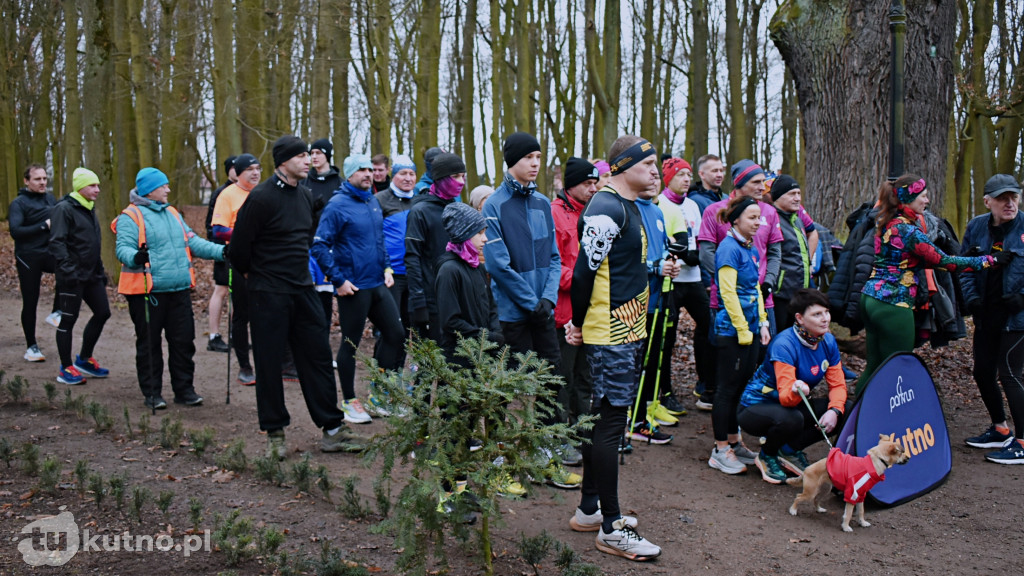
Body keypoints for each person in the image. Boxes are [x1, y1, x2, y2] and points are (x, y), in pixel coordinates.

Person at [230, 135, 366, 458]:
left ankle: (333, 430)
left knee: (318, 358)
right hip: (268, 293)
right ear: (283, 161)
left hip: (303, 290)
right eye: (301, 156)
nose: (308, 161)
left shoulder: (304, 197)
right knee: (268, 362)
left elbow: (305, 241)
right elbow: (237, 251)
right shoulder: (260, 198)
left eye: (309, 155)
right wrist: (260, 277)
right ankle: (274, 433)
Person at [565, 135, 660, 561]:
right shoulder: (604, 208)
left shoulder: (627, 207)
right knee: (609, 425)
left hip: (624, 330)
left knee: (602, 421)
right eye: (649, 164)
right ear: (623, 167)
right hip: (609, 334)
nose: (656, 171)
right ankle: (612, 526)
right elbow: (583, 275)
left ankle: (590, 507)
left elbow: (619, 267)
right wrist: (580, 325)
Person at [859, 174, 999, 389]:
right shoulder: (908, 230)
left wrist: (966, 256)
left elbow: (910, 261)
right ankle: (891, 419)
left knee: (874, 366)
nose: (927, 200)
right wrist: (988, 260)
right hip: (894, 304)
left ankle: (860, 418)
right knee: (896, 369)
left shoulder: (886, 223)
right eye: (923, 196)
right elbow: (945, 262)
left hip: (870, 299)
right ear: (908, 198)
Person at [114, 168, 227, 409]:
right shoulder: (130, 216)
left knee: (184, 342)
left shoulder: (173, 213)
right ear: (149, 190)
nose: (168, 189)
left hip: (179, 290)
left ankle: (185, 390)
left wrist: (223, 251)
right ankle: (152, 394)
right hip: (146, 293)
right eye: (163, 186)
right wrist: (136, 256)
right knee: (149, 345)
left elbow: (193, 242)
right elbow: (122, 248)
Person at [312, 154, 405, 423]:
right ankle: (350, 401)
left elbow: (379, 241)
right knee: (350, 344)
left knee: (396, 334)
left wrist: (387, 268)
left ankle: (379, 394)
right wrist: (338, 280)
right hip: (352, 287)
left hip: (377, 282)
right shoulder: (337, 205)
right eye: (361, 170)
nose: (367, 174)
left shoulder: (373, 202)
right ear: (350, 174)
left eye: (369, 169)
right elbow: (319, 246)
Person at [737, 288, 849, 483]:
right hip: (755, 407)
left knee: (845, 409)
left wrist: (835, 411)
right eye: (816, 314)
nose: (825, 319)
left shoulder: (827, 341)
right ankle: (767, 455)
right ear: (800, 318)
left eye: (826, 312)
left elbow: (838, 384)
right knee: (792, 418)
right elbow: (786, 398)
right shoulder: (785, 344)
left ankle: (788, 451)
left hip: (793, 405)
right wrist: (800, 390)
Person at [698, 160, 783, 410]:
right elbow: (706, 253)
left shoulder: (769, 212)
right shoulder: (714, 211)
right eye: (756, 182)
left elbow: (775, 253)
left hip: (762, 301)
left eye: (762, 181)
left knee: (761, 357)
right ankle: (723, 412)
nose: (762, 186)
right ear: (739, 184)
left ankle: (751, 409)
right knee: (727, 364)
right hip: (724, 302)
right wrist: (732, 283)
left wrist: (767, 283)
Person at [959, 174, 1024, 464]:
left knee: (1010, 374)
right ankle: (1000, 429)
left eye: (1013, 196)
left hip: (1018, 316)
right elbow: (965, 267)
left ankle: (1022, 442)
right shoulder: (976, 227)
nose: (1009, 203)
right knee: (982, 371)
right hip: (987, 314)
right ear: (988, 201)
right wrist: (972, 299)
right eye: (1002, 198)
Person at [707, 195, 771, 475]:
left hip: (752, 331)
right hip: (731, 332)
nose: (759, 222)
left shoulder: (752, 248)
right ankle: (720, 449)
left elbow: (755, 290)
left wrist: (764, 323)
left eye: (760, 217)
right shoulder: (728, 249)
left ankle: (735, 441)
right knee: (726, 390)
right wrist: (742, 329)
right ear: (736, 220)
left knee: (741, 387)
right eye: (752, 217)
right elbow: (727, 293)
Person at [658, 157, 713, 413]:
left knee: (708, 326)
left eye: (689, 175)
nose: (686, 179)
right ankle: (664, 390)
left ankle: (705, 382)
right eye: (680, 174)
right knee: (666, 338)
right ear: (668, 178)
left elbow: (700, 239)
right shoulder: (660, 203)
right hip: (670, 280)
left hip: (693, 280)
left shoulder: (692, 205)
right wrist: (679, 254)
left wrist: (697, 257)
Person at [49, 168, 112, 385]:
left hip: (92, 275)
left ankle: (84, 359)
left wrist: (100, 270)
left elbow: (93, 243)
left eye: (97, 185)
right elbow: (57, 242)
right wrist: (69, 271)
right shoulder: (64, 208)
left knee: (103, 312)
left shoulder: (89, 207)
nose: (97, 189)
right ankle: (65, 368)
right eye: (92, 186)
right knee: (68, 320)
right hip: (72, 277)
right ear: (80, 187)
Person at [630, 176, 680, 444]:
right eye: (646, 172)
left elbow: (661, 251)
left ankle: (641, 416)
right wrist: (655, 267)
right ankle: (631, 417)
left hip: (660, 298)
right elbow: (630, 259)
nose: (652, 180)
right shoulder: (629, 209)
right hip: (637, 301)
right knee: (636, 361)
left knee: (652, 362)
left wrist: (669, 263)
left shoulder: (657, 210)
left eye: (656, 175)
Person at [552, 157, 598, 430]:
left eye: (595, 182)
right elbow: (550, 264)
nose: (593, 188)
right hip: (564, 313)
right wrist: (584, 282)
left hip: (591, 311)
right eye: (586, 183)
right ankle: (560, 436)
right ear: (570, 185)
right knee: (563, 378)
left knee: (586, 376)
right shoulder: (554, 213)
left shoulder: (595, 213)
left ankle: (583, 430)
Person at [405, 153, 467, 342]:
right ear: (440, 179)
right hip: (430, 298)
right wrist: (419, 301)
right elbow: (412, 257)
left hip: (456, 296)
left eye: (463, 176)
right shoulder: (420, 211)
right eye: (455, 176)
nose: (461, 182)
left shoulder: (458, 209)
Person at [211, 154, 261, 385]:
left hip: (265, 262)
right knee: (242, 314)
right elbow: (218, 231)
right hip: (239, 261)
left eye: (258, 168)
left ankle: (273, 362)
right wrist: (244, 235)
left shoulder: (263, 194)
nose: (255, 172)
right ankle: (244, 366)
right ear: (238, 173)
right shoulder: (227, 195)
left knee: (267, 312)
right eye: (249, 169)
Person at [435, 202, 504, 362]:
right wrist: (487, 337)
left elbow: (490, 304)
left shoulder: (477, 266)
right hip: (460, 356)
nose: (486, 239)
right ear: (463, 234)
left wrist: (496, 332)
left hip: (483, 352)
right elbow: (450, 321)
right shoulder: (449, 270)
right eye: (479, 233)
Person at [9, 163, 60, 362]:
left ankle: (57, 311)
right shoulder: (18, 203)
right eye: (37, 179)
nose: (42, 182)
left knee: (67, 267)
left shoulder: (50, 199)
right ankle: (31, 346)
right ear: (26, 181)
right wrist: (43, 226)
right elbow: (16, 232)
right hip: (28, 257)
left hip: (48, 252)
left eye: (44, 179)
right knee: (31, 302)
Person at [376, 154, 418, 339]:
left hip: (415, 272)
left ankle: (405, 367)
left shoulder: (420, 200)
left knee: (412, 325)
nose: (408, 178)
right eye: (403, 173)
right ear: (393, 175)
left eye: (411, 173)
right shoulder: (379, 200)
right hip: (391, 274)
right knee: (391, 328)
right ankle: (384, 367)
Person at [303, 138, 343, 324]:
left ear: (327, 155)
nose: (314, 157)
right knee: (310, 294)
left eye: (318, 153)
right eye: (312, 153)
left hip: (333, 246)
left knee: (329, 294)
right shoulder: (304, 181)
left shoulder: (339, 183)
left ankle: (327, 333)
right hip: (308, 245)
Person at [768, 175, 815, 329]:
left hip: (800, 292)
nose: (796, 198)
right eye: (791, 194)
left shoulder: (797, 219)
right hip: (780, 294)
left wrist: (808, 265)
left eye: (798, 194)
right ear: (777, 197)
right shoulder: (771, 219)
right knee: (781, 334)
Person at [204, 155, 237, 353]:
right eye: (234, 167)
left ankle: (236, 334)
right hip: (223, 250)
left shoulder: (246, 191)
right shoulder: (221, 193)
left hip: (241, 252)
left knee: (238, 293)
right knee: (221, 290)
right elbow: (211, 225)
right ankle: (214, 335)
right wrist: (219, 250)